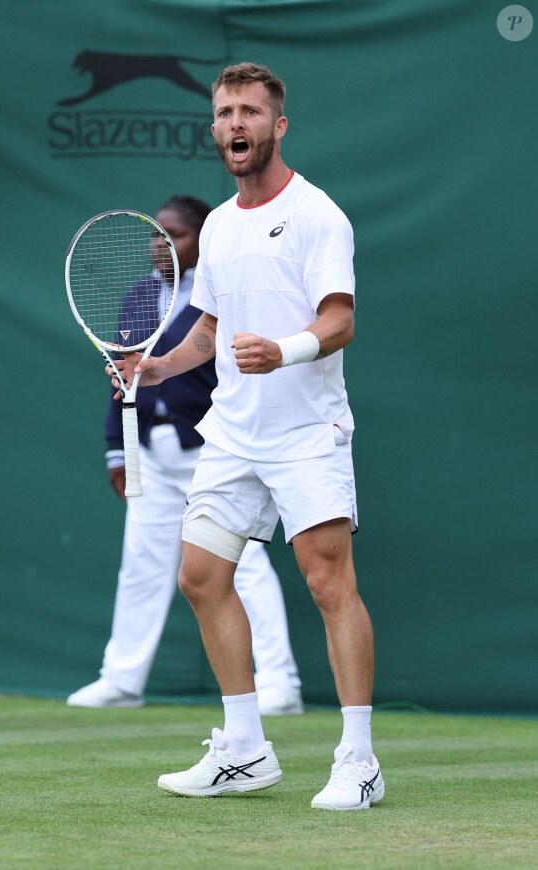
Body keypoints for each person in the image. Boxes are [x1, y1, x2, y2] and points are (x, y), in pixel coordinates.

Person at [110, 63, 384, 811]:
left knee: (330, 585)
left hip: (306, 429)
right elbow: (208, 327)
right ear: (214, 128)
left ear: (278, 125)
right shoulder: (221, 227)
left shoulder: (319, 214)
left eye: (251, 113)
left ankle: (358, 760)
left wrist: (285, 350)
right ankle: (243, 749)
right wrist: (158, 366)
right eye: (225, 112)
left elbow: (339, 320)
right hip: (232, 433)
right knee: (200, 576)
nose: (236, 124)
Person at [68, 194, 303, 717]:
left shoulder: (219, 301)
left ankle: (280, 683)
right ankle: (122, 678)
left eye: (176, 235)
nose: (162, 245)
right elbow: (120, 376)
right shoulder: (135, 299)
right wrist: (116, 449)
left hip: (210, 451)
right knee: (142, 566)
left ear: (203, 239)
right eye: (157, 234)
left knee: (242, 564)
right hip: (149, 452)